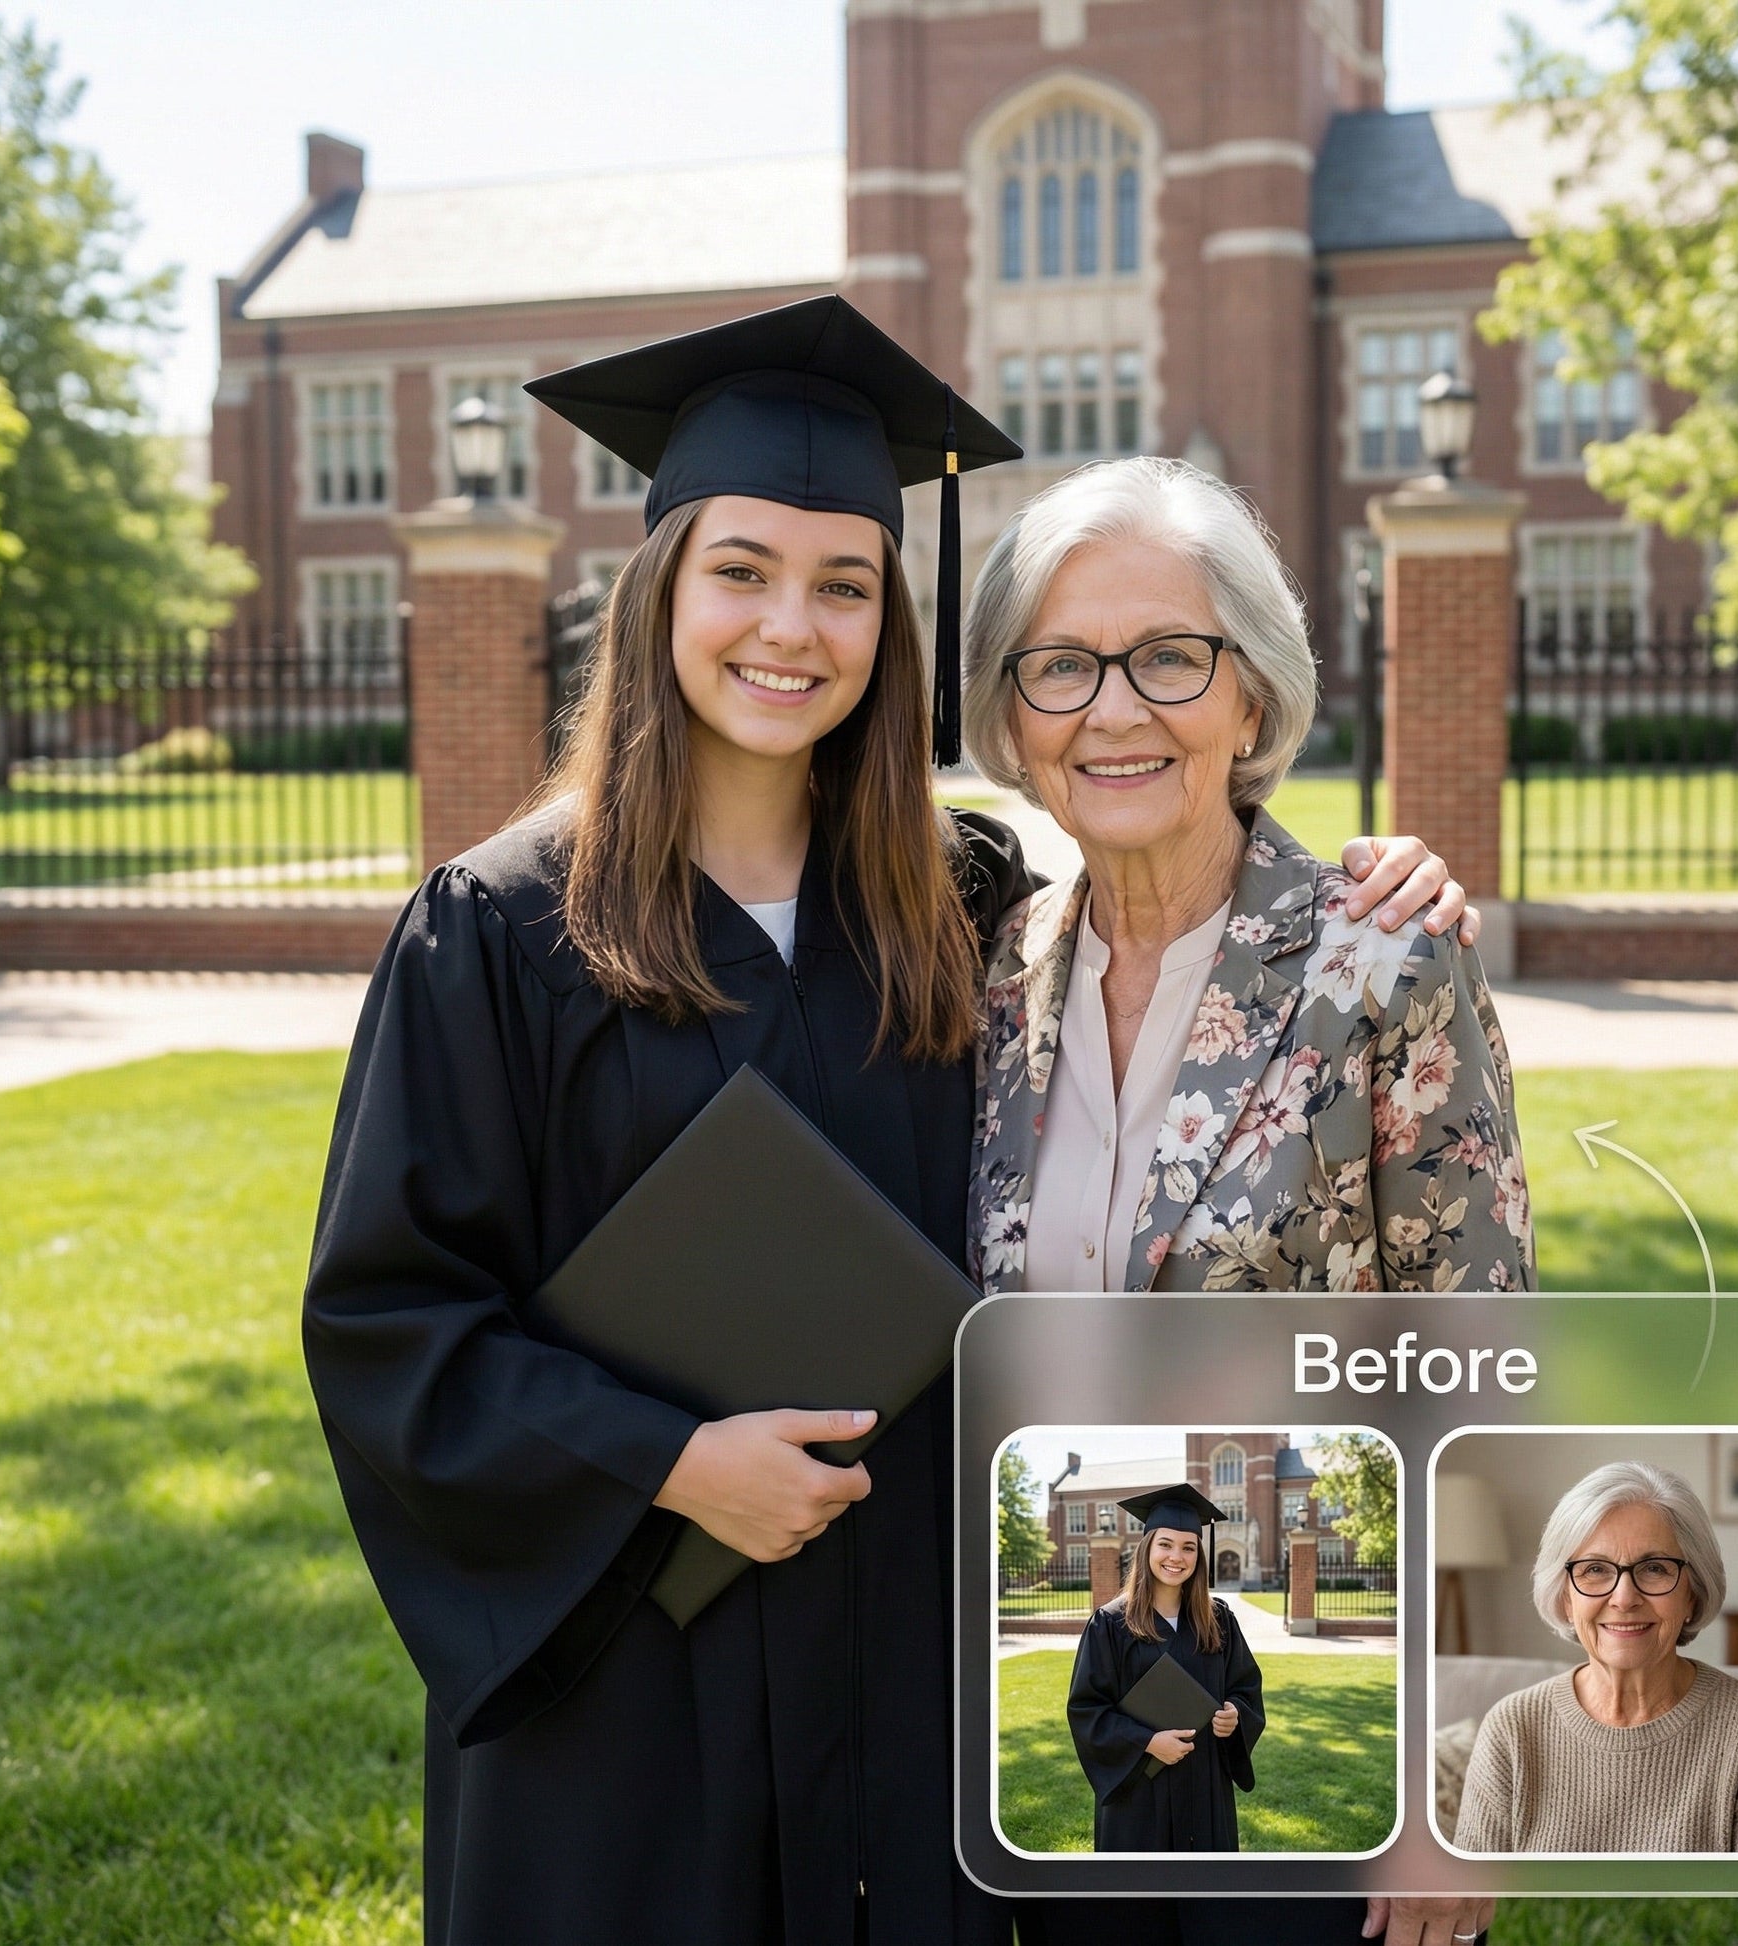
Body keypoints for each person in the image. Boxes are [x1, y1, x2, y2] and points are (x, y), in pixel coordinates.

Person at [300, 298, 1473, 1946]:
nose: (793, 626)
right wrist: (667, 1465)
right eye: (741, 571)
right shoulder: (503, 933)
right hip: (633, 1684)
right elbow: (388, 1318)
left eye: (845, 583)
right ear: (656, 591)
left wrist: (1371, 883)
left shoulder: (956, 900)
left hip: (911, 1683)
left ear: (892, 624)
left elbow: (1174, 874)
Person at [965, 455, 1516, 1946]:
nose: (1114, 707)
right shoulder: (990, 970)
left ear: (1250, 700)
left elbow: (1479, 1377)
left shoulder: (1380, 957)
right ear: (1013, 718)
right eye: (1061, 665)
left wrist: (1448, 1790)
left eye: (1168, 655)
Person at [1452, 1462, 1738, 1854]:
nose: (1624, 1598)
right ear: (1566, 1598)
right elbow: (1472, 1907)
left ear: (1693, 1593)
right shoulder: (1512, 1728)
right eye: (1595, 1569)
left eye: (1655, 1568)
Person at [1067, 1486, 1264, 1853]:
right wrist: (1147, 1742)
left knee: (1205, 1896)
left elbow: (1245, 1687)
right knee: (1140, 1901)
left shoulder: (1218, 1619)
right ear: (1147, 1549)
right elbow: (1087, 1709)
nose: (1177, 1557)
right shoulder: (1110, 1624)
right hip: (1139, 1791)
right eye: (1166, 1544)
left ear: (1199, 1555)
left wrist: (1235, 1713)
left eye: (1189, 1547)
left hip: (1204, 1782)